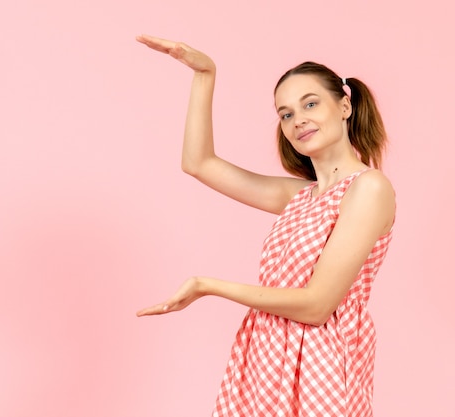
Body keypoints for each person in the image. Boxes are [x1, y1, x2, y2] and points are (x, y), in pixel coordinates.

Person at [135, 34, 396, 417]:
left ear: (344, 106)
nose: (298, 119)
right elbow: (198, 163)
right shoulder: (300, 198)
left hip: (320, 367)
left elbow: (317, 306)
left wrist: (210, 286)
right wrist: (205, 74)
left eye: (310, 104)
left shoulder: (369, 188)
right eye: (286, 113)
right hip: (266, 357)